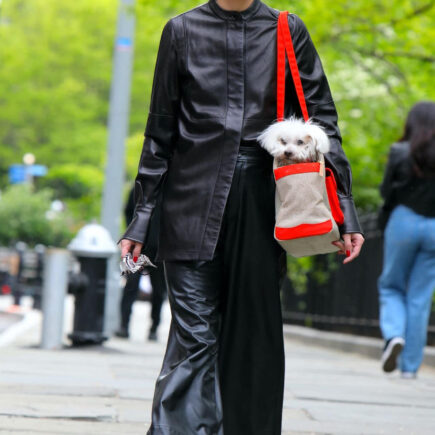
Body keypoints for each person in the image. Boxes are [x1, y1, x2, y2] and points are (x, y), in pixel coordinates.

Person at [119, 1, 364, 433]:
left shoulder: (287, 29)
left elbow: (323, 121)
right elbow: (160, 130)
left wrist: (344, 209)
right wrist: (143, 217)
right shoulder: (181, 30)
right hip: (190, 205)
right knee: (194, 338)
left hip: (263, 208)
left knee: (253, 339)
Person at [378, 101, 435, 378]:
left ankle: (393, 336)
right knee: (420, 297)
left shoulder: (400, 152)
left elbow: (386, 191)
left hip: (404, 220)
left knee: (391, 285)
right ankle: (410, 368)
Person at [116, 186, 167, 341]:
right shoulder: (140, 187)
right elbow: (128, 211)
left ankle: (154, 328)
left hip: (160, 248)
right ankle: (124, 326)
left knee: (159, 290)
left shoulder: (171, 188)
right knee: (130, 286)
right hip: (135, 247)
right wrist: (132, 233)